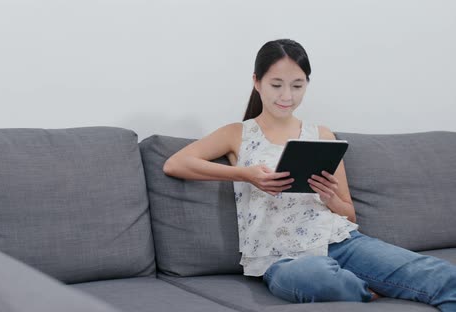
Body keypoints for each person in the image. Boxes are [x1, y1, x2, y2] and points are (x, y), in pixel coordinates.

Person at [162, 39, 456, 310]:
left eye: (297, 86)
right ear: (257, 82)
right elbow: (176, 164)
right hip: (280, 259)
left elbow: (349, 215)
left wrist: (330, 198)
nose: (286, 96)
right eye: (276, 85)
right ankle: (367, 290)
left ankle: (373, 284)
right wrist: (245, 174)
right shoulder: (238, 134)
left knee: (443, 275)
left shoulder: (322, 136)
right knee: (318, 277)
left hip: (341, 243)